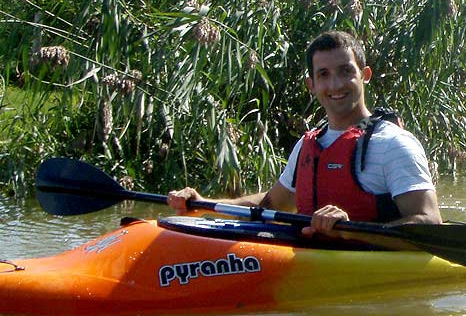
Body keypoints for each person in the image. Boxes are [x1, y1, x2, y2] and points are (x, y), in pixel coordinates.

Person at [167, 30, 441, 241]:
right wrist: (206, 205)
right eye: (324, 75)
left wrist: (351, 231)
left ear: (365, 75)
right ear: (311, 85)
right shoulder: (309, 144)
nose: (335, 84)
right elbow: (270, 205)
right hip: (317, 257)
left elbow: (429, 221)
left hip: (371, 264)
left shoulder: (393, 143)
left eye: (346, 72)